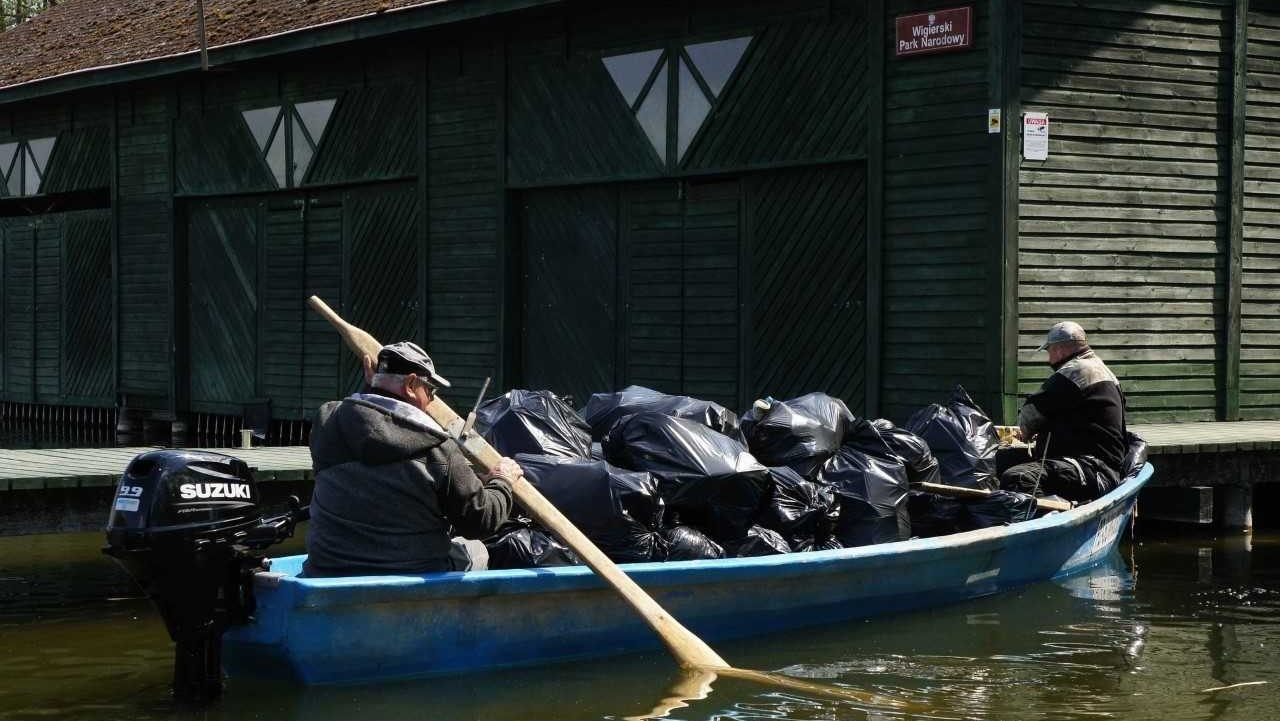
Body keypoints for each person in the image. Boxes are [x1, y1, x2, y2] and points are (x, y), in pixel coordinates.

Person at [303, 341, 519, 577]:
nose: (431, 401)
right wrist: (502, 481)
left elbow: (369, 429)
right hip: (413, 575)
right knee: (477, 550)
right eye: (430, 390)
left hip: (327, 573)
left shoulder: (327, 424)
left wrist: (372, 384)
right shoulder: (438, 448)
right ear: (410, 384)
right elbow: (480, 521)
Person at [1001, 321, 1127, 503]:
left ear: (1059, 350)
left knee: (1018, 477)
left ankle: (1043, 523)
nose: (1049, 359)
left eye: (1049, 352)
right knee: (1004, 459)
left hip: (1092, 468)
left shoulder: (1075, 371)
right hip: (1103, 468)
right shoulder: (1101, 369)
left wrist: (1024, 433)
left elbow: (1032, 412)